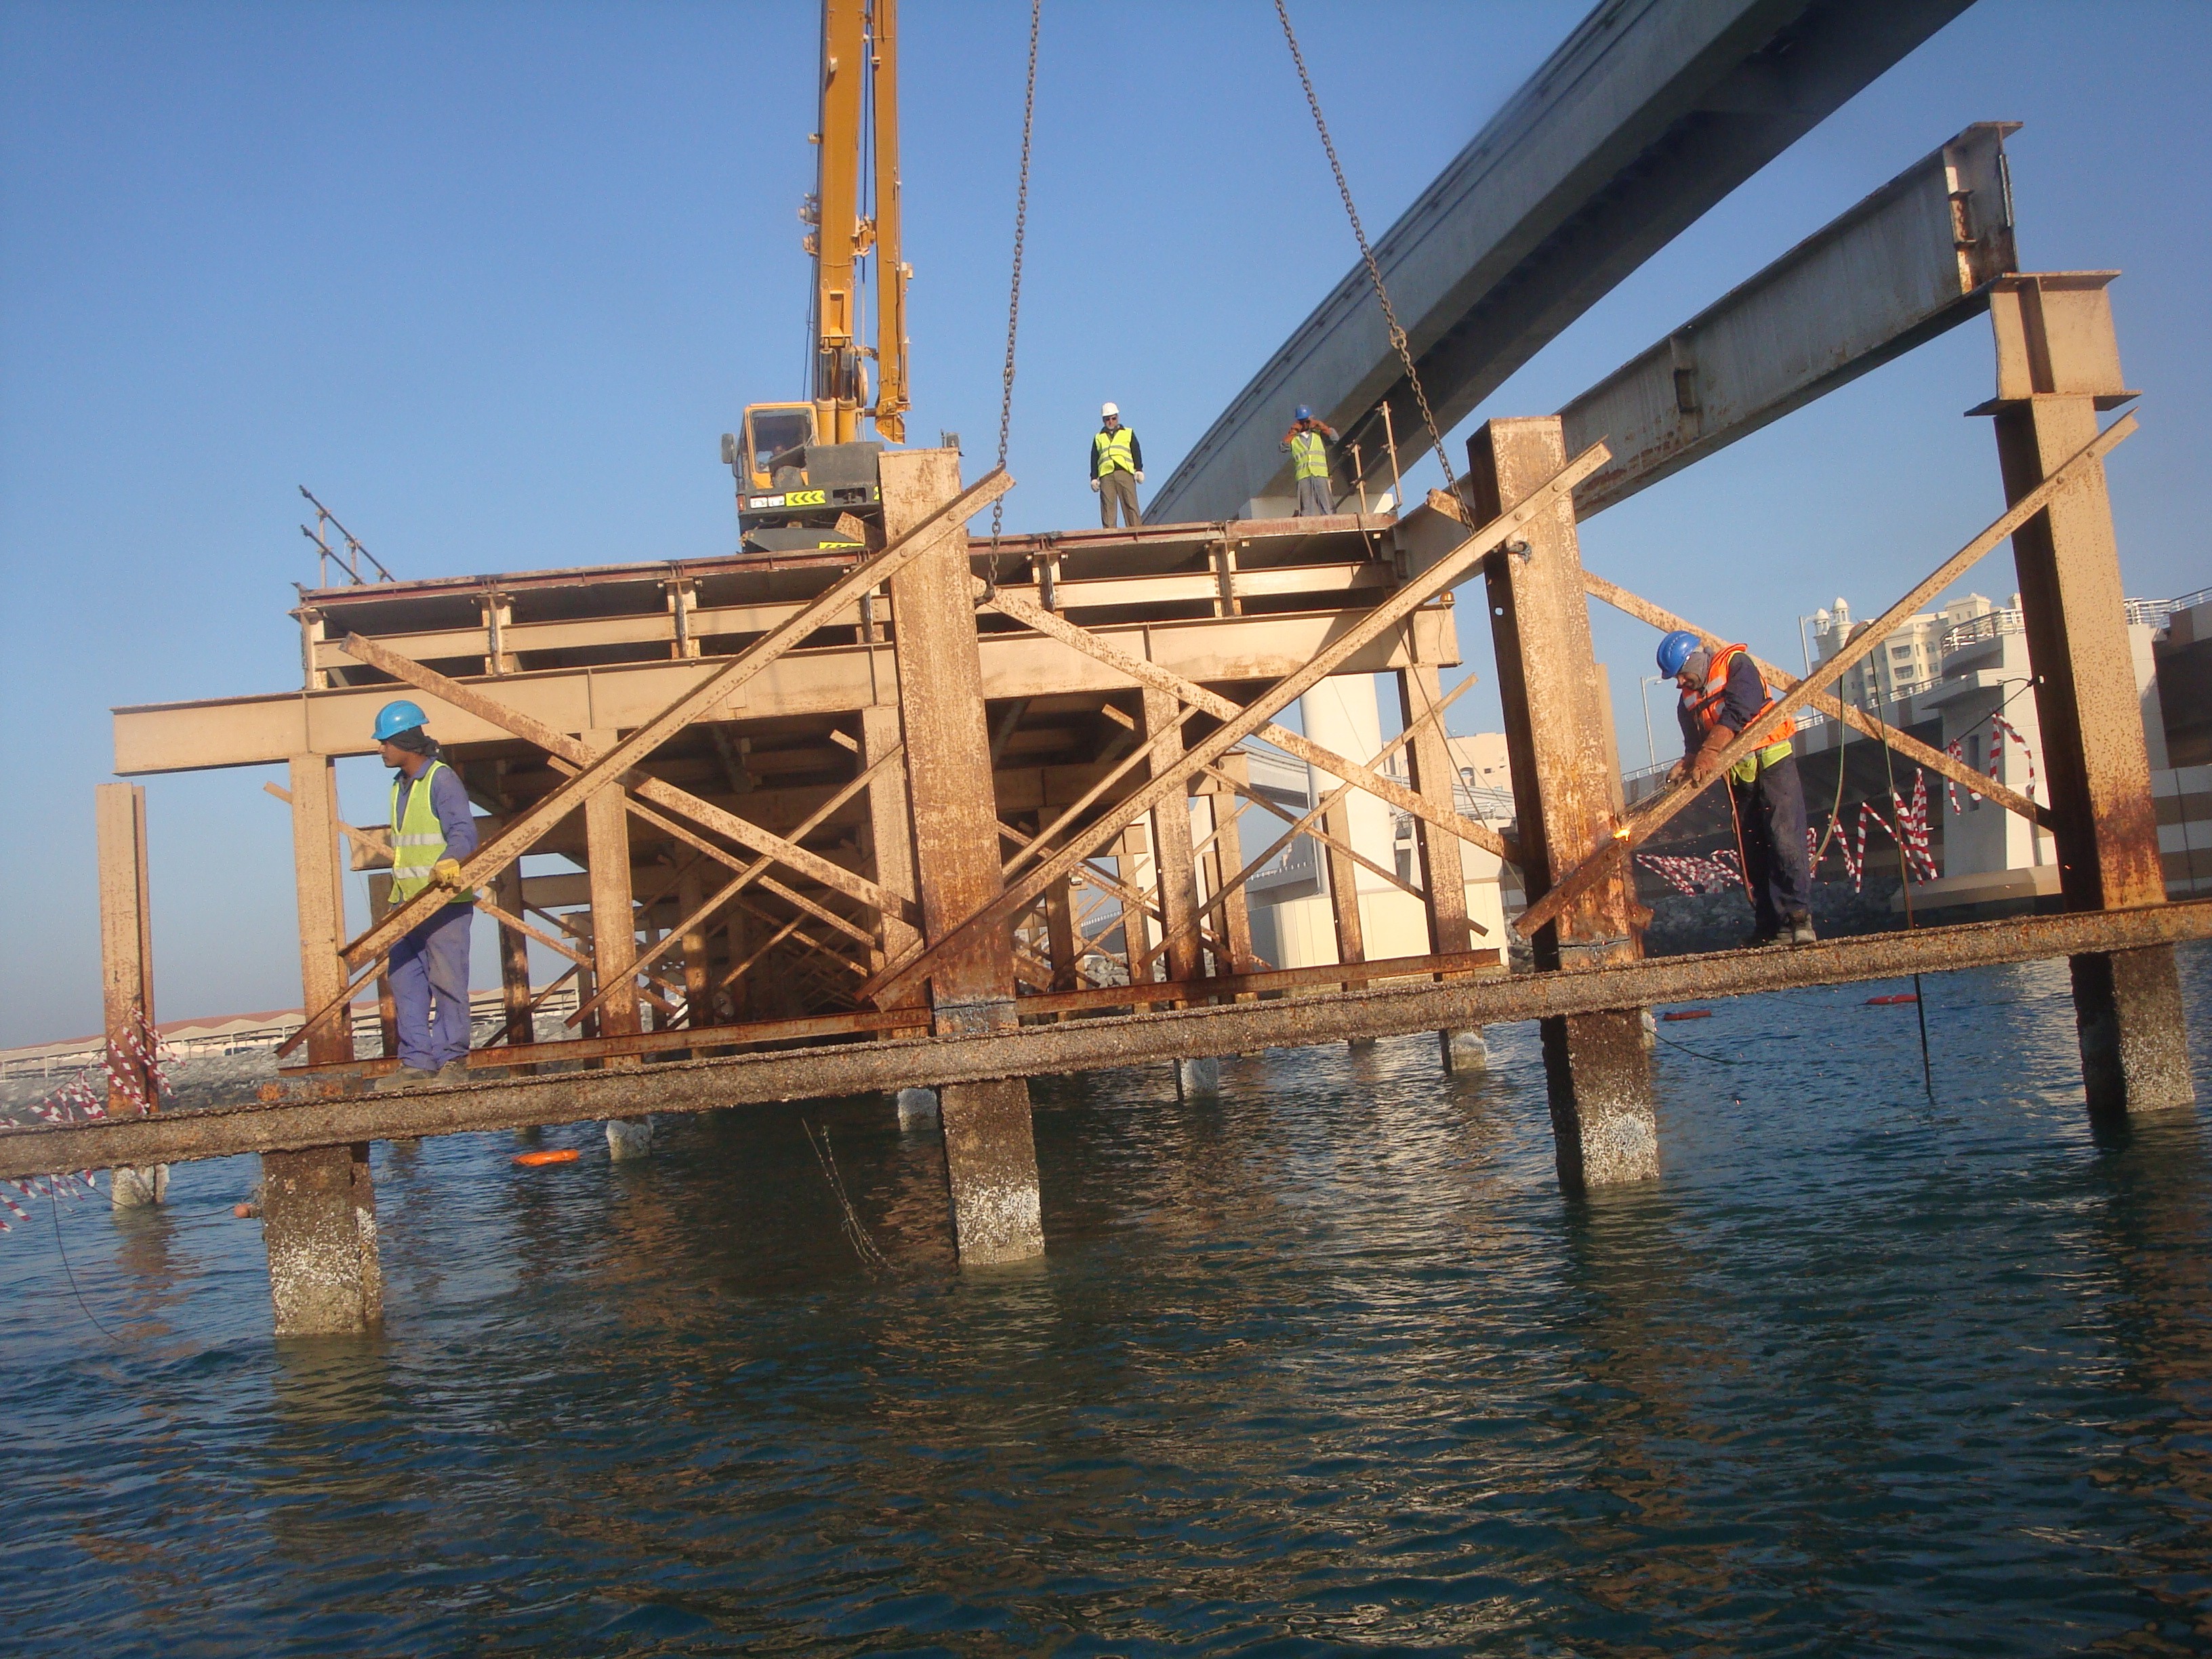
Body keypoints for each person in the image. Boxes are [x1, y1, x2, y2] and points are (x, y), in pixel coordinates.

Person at [1660, 630, 1816, 947]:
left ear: (1695, 661)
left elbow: (1739, 712)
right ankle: (1769, 925)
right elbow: (1694, 742)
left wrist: (1710, 752)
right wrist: (1689, 761)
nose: (1679, 683)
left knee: (1784, 840)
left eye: (1681, 675)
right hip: (1740, 773)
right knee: (1752, 849)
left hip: (1773, 762)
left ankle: (1798, 919)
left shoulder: (1737, 665)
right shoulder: (1687, 701)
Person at [371, 699, 480, 1087]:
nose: (380, 748)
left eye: (385, 742)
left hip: (444, 901)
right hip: (408, 905)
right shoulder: (399, 786)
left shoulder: (441, 779)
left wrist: (452, 860)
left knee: (447, 981)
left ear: (405, 742)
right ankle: (417, 1062)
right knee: (405, 982)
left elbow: (463, 832)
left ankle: (453, 1061)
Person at [1090, 402, 1143, 527]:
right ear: (1103, 420)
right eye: (1108, 419)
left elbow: (1136, 451)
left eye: (1113, 418)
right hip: (1106, 475)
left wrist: (1139, 469)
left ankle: (1136, 530)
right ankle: (1110, 534)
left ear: (1117, 417)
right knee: (1108, 508)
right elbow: (1094, 458)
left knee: (1131, 503)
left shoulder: (1128, 433)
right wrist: (1093, 477)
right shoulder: (1098, 438)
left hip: (1124, 472)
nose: (1111, 422)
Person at [1281, 405, 1338, 516]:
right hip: (1303, 477)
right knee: (1306, 510)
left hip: (1320, 474)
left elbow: (1335, 439)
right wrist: (1292, 432)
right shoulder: (1295, 439)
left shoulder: (1318, 435)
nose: (1305, 424)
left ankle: (1330, 522)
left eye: (1307, 421)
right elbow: (1283, 447)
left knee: (1327, 506)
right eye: (1302, 422)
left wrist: (1321, 426)